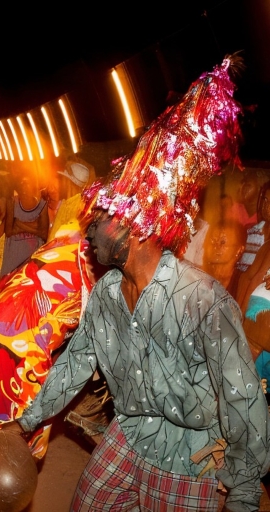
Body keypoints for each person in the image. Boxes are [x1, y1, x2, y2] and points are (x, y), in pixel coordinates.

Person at [14, 56, 270, 512]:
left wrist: (245, 489)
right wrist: (27, 420)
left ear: (134, 229)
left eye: (99, 221)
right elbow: (75, 362)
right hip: (128, 434)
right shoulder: (109, 294)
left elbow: (244, 398)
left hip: (188, 459)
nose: (87, 231)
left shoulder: (203, 304)